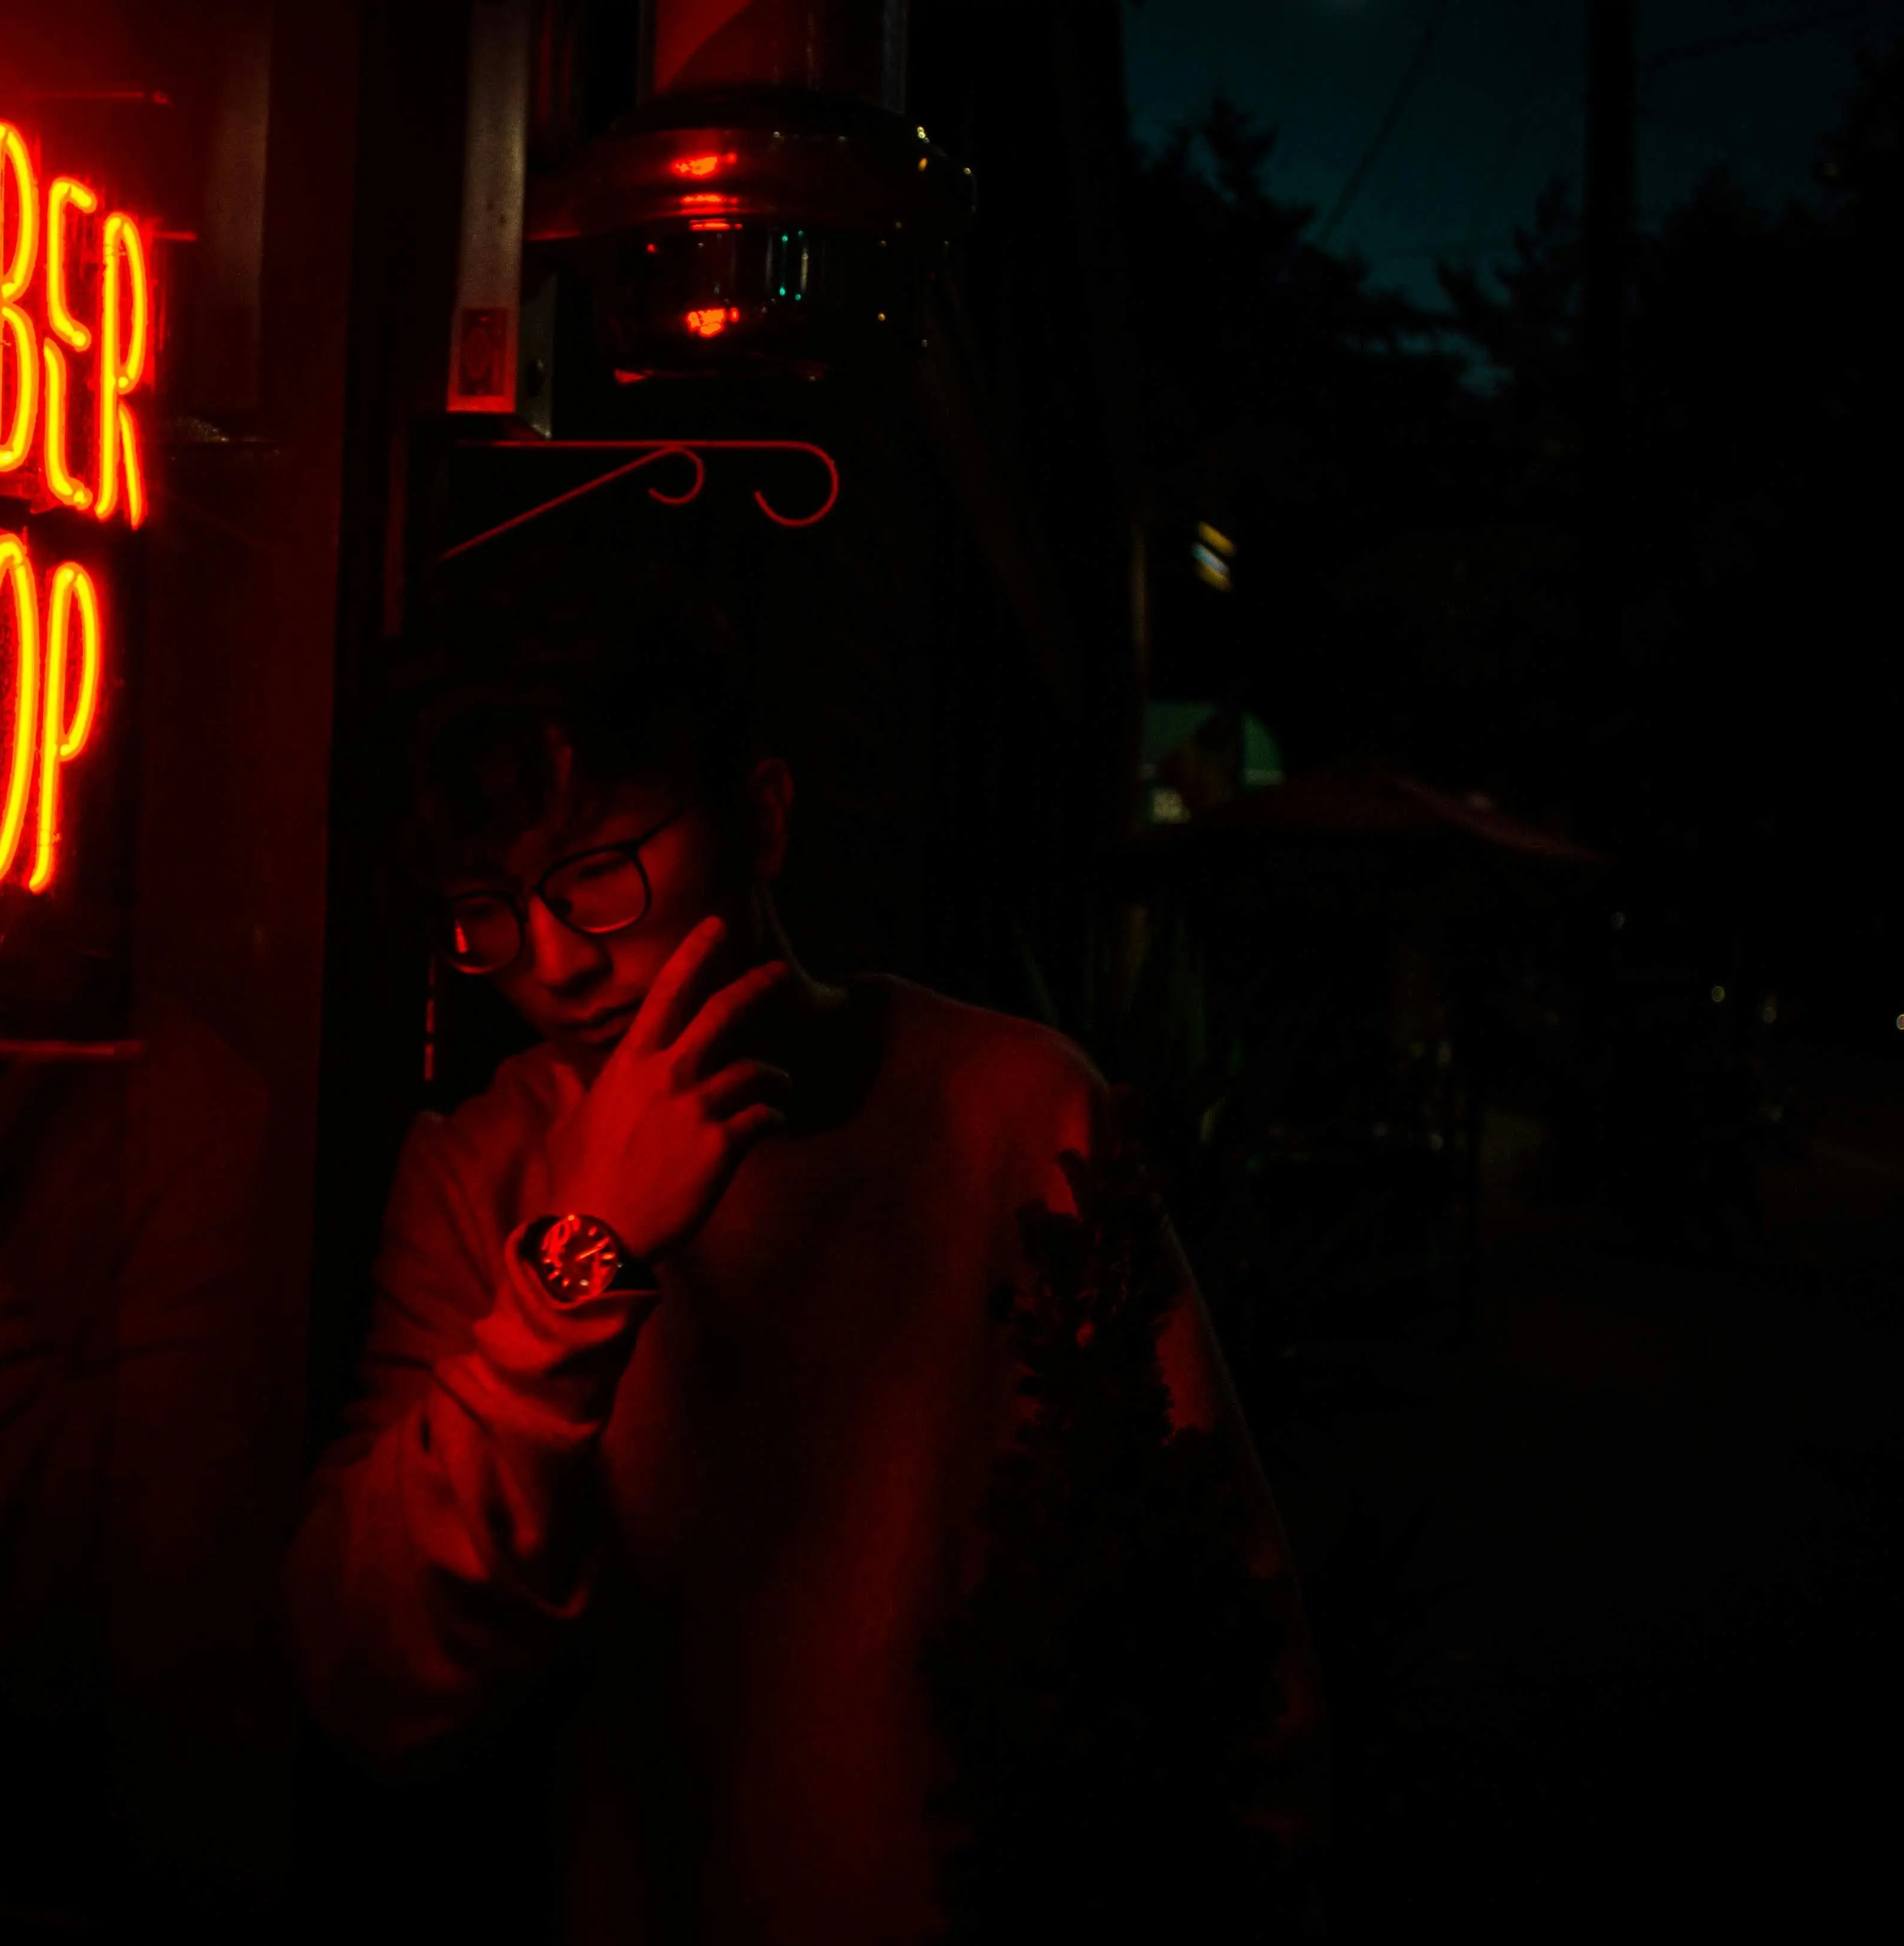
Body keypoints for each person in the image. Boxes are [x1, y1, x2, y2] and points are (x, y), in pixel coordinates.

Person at [286, 573, 1316, 1941]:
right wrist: (585, 1252)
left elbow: (1220, 1622)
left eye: (595, 874)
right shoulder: (485, 1170)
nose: (553, 960)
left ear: (760, 818)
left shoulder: (1014, 1108)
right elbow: (368, 1676)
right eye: (487, 907)